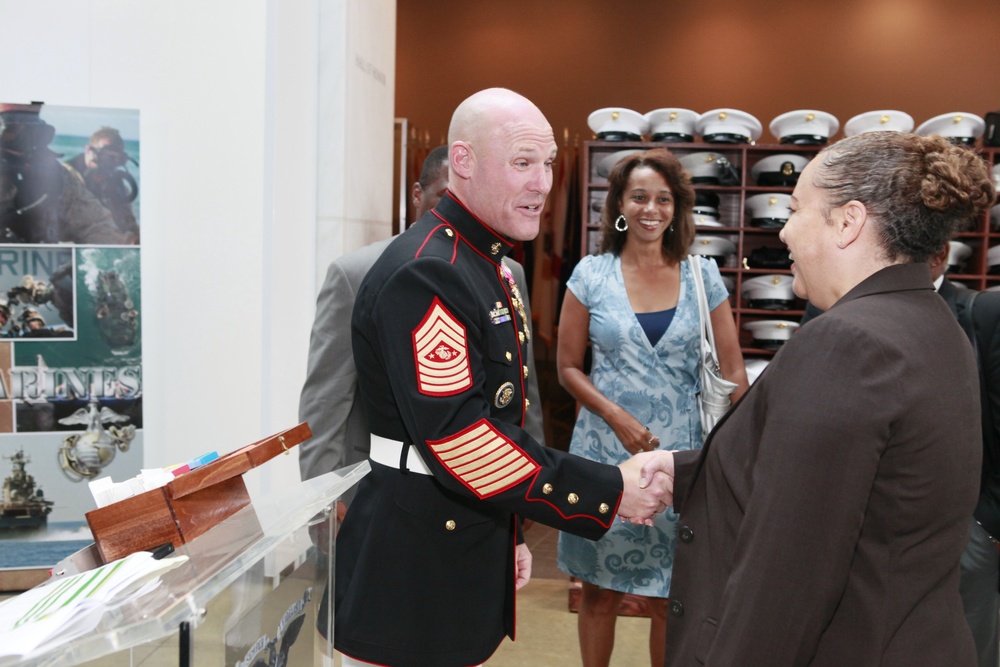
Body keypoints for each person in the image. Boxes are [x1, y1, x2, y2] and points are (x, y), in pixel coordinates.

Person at [335, 88, 667, 667]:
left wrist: (510, 529)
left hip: (461, 533)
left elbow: (504, 413)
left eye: (546, 165)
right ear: (463, 162)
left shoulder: (486, 263)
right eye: (522, 163)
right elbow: (462, 442)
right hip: (412, 564)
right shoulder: (430, 272)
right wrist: (610, 490)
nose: (542, 183)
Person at [634, 131, 995, 665]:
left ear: (848, 221)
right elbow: (851, 479)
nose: (782, 230)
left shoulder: (848, 343)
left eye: (797, 208)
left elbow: (786, 577)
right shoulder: (931, 319)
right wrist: (685, 471)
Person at [556, 148, 748, 667]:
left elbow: (732, 370)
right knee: (599, 592)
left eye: (663, 199)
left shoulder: (700, 274)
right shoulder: (590, 274)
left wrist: (741, 448)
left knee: (671, 597)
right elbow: (567, 366)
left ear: (676, 207)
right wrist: (613, 414)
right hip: (605, 455)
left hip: (681, 459)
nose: (651, 209)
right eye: (639, 196)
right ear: (619, 202)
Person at [298, 145, 546, 515]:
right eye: (446, 196)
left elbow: (522, 390)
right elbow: (326, 400)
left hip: (482, 489)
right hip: (383, 490)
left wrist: (533, 481)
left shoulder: (508, 273)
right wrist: (324, 502)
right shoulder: (356, 273)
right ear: (418, 195)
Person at [0, 103, 131, 245]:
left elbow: (98, 225)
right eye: (11, 130)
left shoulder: (58, 177)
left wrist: (93, 259)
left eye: (32, 130)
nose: (23, 141)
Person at [66, 127, 140, 239]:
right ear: (88, 150)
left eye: (116, 159)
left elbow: (129, 223)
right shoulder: (67, 178)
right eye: (106, 157)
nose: (110, 164)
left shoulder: (118, 187)